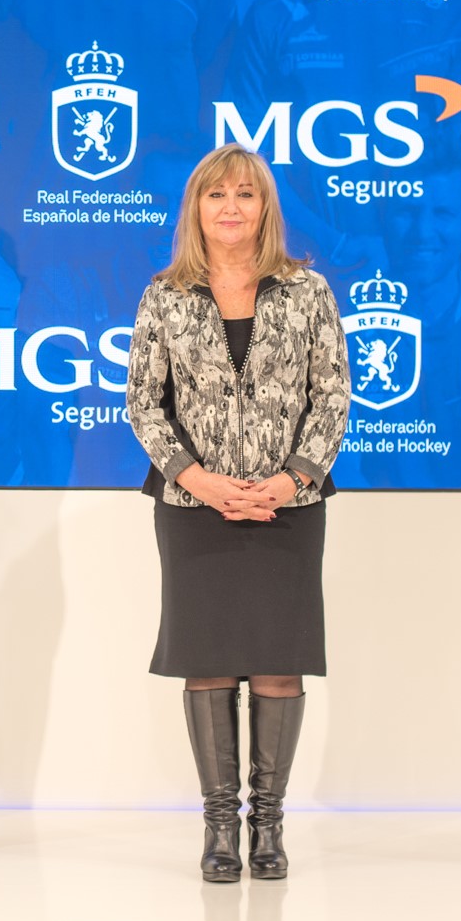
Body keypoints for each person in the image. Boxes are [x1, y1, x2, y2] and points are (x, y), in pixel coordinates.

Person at [126, 144, 349, 883]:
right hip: (195, 508)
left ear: (265, 209)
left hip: (288, 507)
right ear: (196, 208)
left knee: (279, 663)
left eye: (245, 194)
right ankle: (220, 827)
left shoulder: (307, 292)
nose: (230, 207)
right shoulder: (165, 296)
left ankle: (269, 827)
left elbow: (332, 396)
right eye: (215, 194)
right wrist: (199, 480)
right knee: (210, 661)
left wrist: (292, 479)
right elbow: (143, 404)